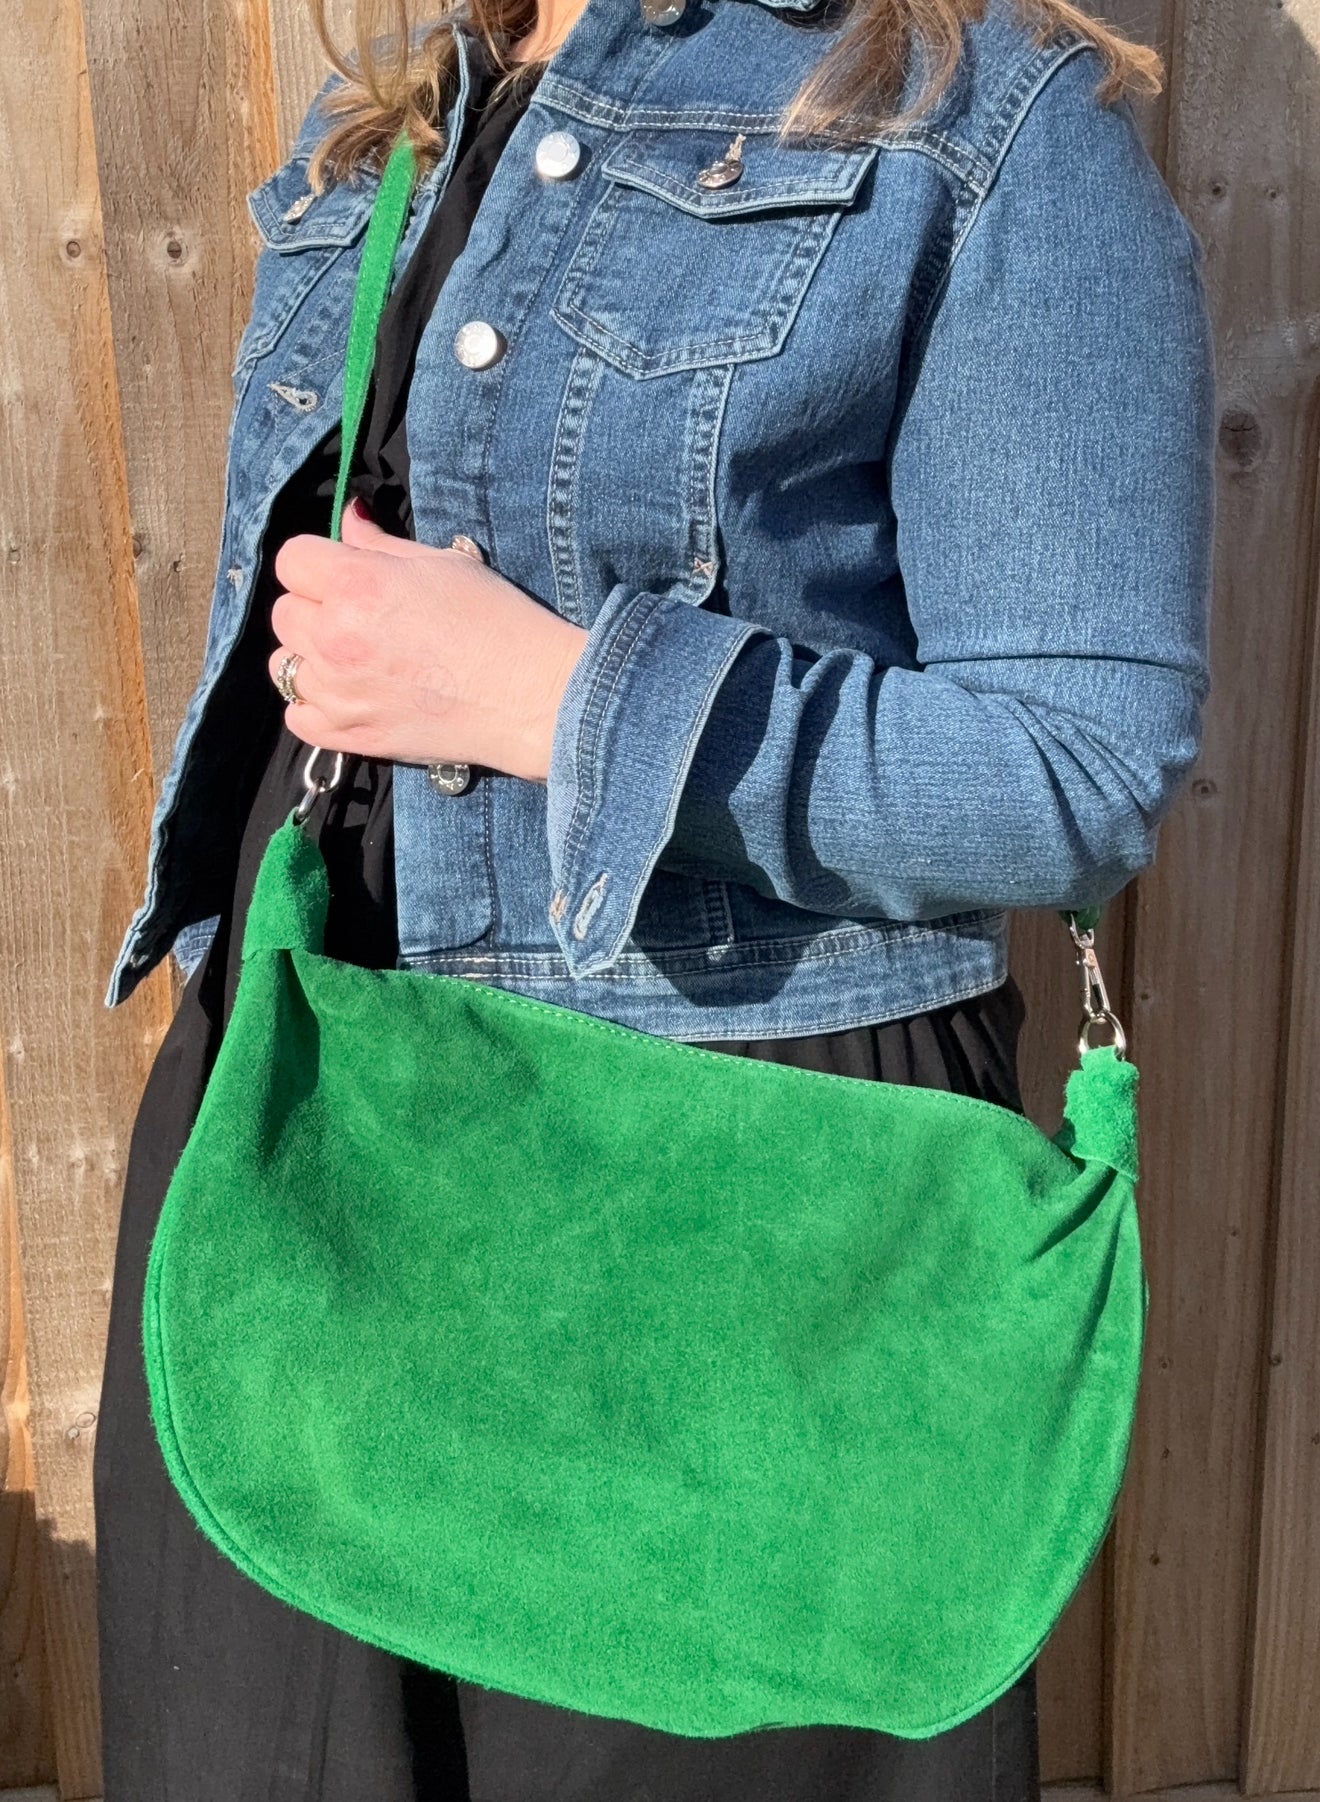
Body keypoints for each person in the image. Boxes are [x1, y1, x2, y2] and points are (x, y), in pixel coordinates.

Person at [93, 0, 1216, 1793]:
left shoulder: (990, 130)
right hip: (313, 1135)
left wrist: (550, 697)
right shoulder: (391, 124)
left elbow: (1073, 770)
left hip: (722, 1207)